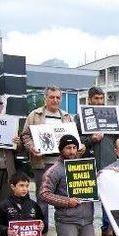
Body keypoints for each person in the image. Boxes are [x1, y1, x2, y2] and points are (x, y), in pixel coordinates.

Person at [21, 86, 78, 226]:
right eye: (52, 97)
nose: (55, 100)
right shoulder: (34, 115)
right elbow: (25, 136)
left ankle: (64, 230)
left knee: (65, 196)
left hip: (64, 163)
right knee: (43, 197)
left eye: (58, 97)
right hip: (42, 162)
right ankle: (42, 230)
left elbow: (74, 138)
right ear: (45, 98)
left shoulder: (67, 116)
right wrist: (31, 147)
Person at [75, 86, 119, 236]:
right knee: (87, 197)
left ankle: (108, 227)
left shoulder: (112, 115)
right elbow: (76, 140)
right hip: (87, 160)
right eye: (96, 98)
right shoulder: (79, 117)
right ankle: (86, 229)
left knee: (109, 195)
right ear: (89, 99)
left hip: (108, 161)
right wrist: (90, 139)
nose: (99, 102)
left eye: (101, 98)